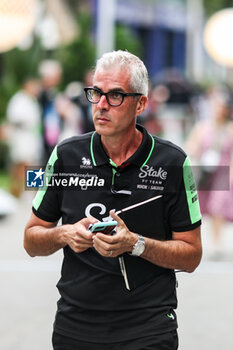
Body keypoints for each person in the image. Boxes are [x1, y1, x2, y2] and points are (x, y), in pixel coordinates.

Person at [24, 50, 202, 350]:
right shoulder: (66, 155)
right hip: (76, 325)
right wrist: (64, 234)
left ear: (141, 104)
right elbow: (31, 240)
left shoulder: (173, 161)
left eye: (116, 95)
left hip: (148, 327)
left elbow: (192, 255)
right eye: (96, 93)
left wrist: (135, 244)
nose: (102, 105)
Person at [185, 86, 233, 259]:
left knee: (218, 206)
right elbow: (191, 146)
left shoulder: (230, 129)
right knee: (203, 206)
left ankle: (217, 242)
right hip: (205, 171)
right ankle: (205, 239)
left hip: (223, 171)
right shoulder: (203, 127)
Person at [6, 78, 42, 197]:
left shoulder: (33, 100)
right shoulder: (19, 99)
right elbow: (15, 118)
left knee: (33, 164)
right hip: (22, 137)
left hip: (32, 138)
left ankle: (32, 194)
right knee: (22, 165)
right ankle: (20, 193)